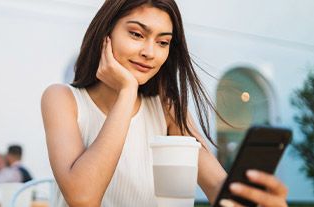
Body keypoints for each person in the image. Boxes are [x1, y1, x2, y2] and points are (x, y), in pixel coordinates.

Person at [41, 0, 289, 206]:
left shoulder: (166, 107)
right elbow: (83, 198)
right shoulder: (62, 99)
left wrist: (252, 198)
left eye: (163, 42)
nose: (150, 52)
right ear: (105, 34)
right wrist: (127, 92)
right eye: (137, 34)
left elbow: (216, 186)